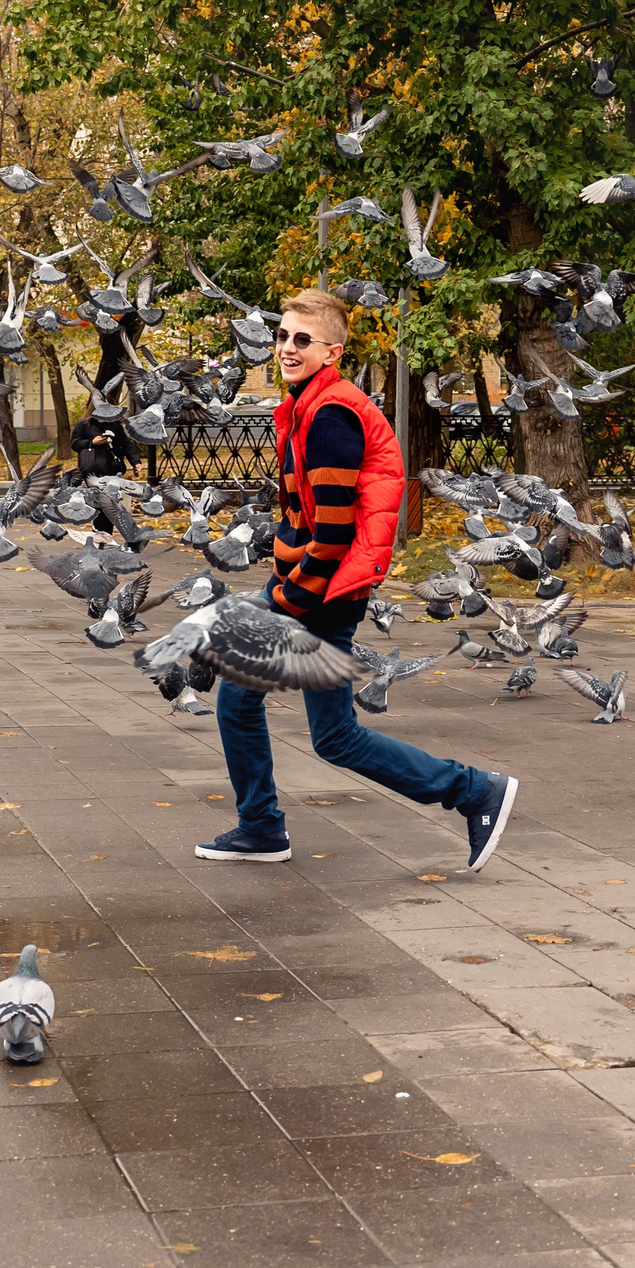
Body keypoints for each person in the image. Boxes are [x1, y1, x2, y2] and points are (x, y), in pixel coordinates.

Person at [196, 289, 516, 871]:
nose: (287, 348)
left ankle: (263, 826)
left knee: (239, 703)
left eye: (302, 340)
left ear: (332, 350)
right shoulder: (308, 405)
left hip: (319, 592)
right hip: (322, 587)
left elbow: (337, 527)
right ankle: (473, 791)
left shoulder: (330, 416)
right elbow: (311, 514)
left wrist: (288, 596)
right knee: (334, 736)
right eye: (282, 336)